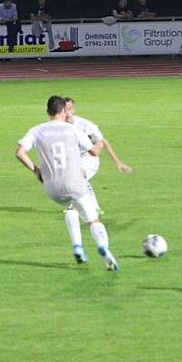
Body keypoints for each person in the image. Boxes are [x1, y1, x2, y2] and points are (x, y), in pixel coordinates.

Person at [14, 96, 120, 270]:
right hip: (74, 183)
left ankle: (77, 246)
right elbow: (94, 152)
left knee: (71, 208)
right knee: (92, 219)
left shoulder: (36, 130)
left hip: (52, 188)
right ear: (63, 111)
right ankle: (104, 249)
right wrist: (99, 144)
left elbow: (19, 152)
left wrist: (36, 171)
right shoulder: (73, 129)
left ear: (48, 112)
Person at [64, 96, 132, 213]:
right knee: (74, 180)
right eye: (65, 109)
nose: (68, 112)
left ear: (74, 109)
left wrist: (118, 162)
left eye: (70, 108)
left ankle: (87, 207)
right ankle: (87, 206)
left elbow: (102, 142)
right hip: (73, 161)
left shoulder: (85, 125)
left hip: (89, 158)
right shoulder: (58, 126)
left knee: (79, 176)